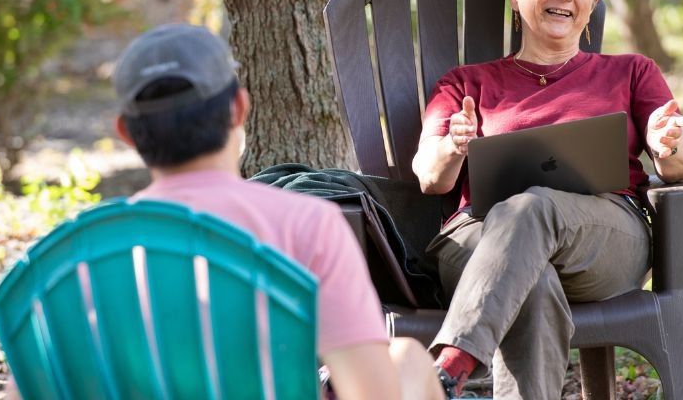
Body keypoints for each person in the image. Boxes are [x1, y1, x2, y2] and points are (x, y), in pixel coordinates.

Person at [411, 0, 683, 399]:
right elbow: (430, 178)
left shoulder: (630, 71)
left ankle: (452, 364)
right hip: (479, 237)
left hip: (604, 238)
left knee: (531, 206)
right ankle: (454, 372)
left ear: (592, 1)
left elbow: (680, 166)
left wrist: (669, 143)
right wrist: (454, 146)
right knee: (534, 283)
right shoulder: (465, 83)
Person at [110, 23, 446, 400]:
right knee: (408, 360)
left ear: (125, 132)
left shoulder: (80, 254)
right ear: (239, 108)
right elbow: (371, 393)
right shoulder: (309, 224)